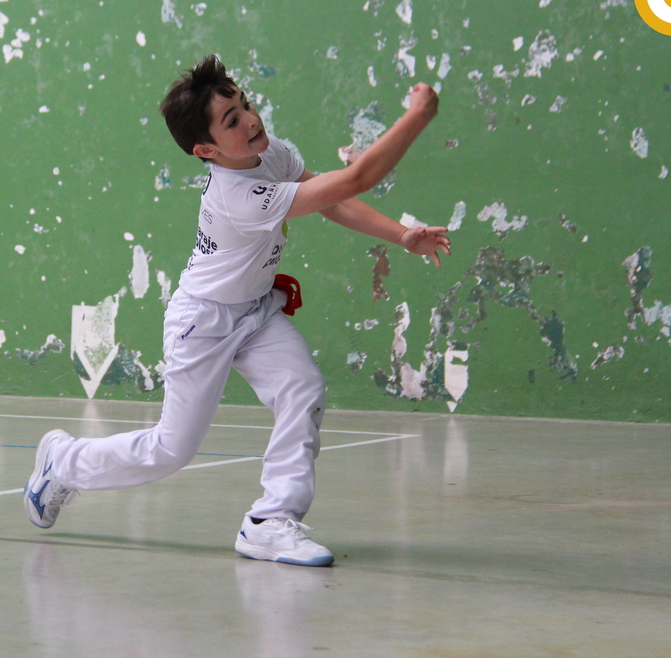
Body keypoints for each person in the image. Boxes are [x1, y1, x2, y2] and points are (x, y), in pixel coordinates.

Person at [24, 55, 448, 566]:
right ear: (206, 150)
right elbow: (355, 179)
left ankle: (270, 522)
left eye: (245, 105)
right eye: (231, 120)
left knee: (302, 389)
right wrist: (417, 116)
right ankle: (64, 462)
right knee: (170, 450)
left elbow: (331, 199)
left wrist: (402, 235)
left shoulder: (271, 154)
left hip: (255, 312)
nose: (250, 120)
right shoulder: (239, 196)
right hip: (202, 322)